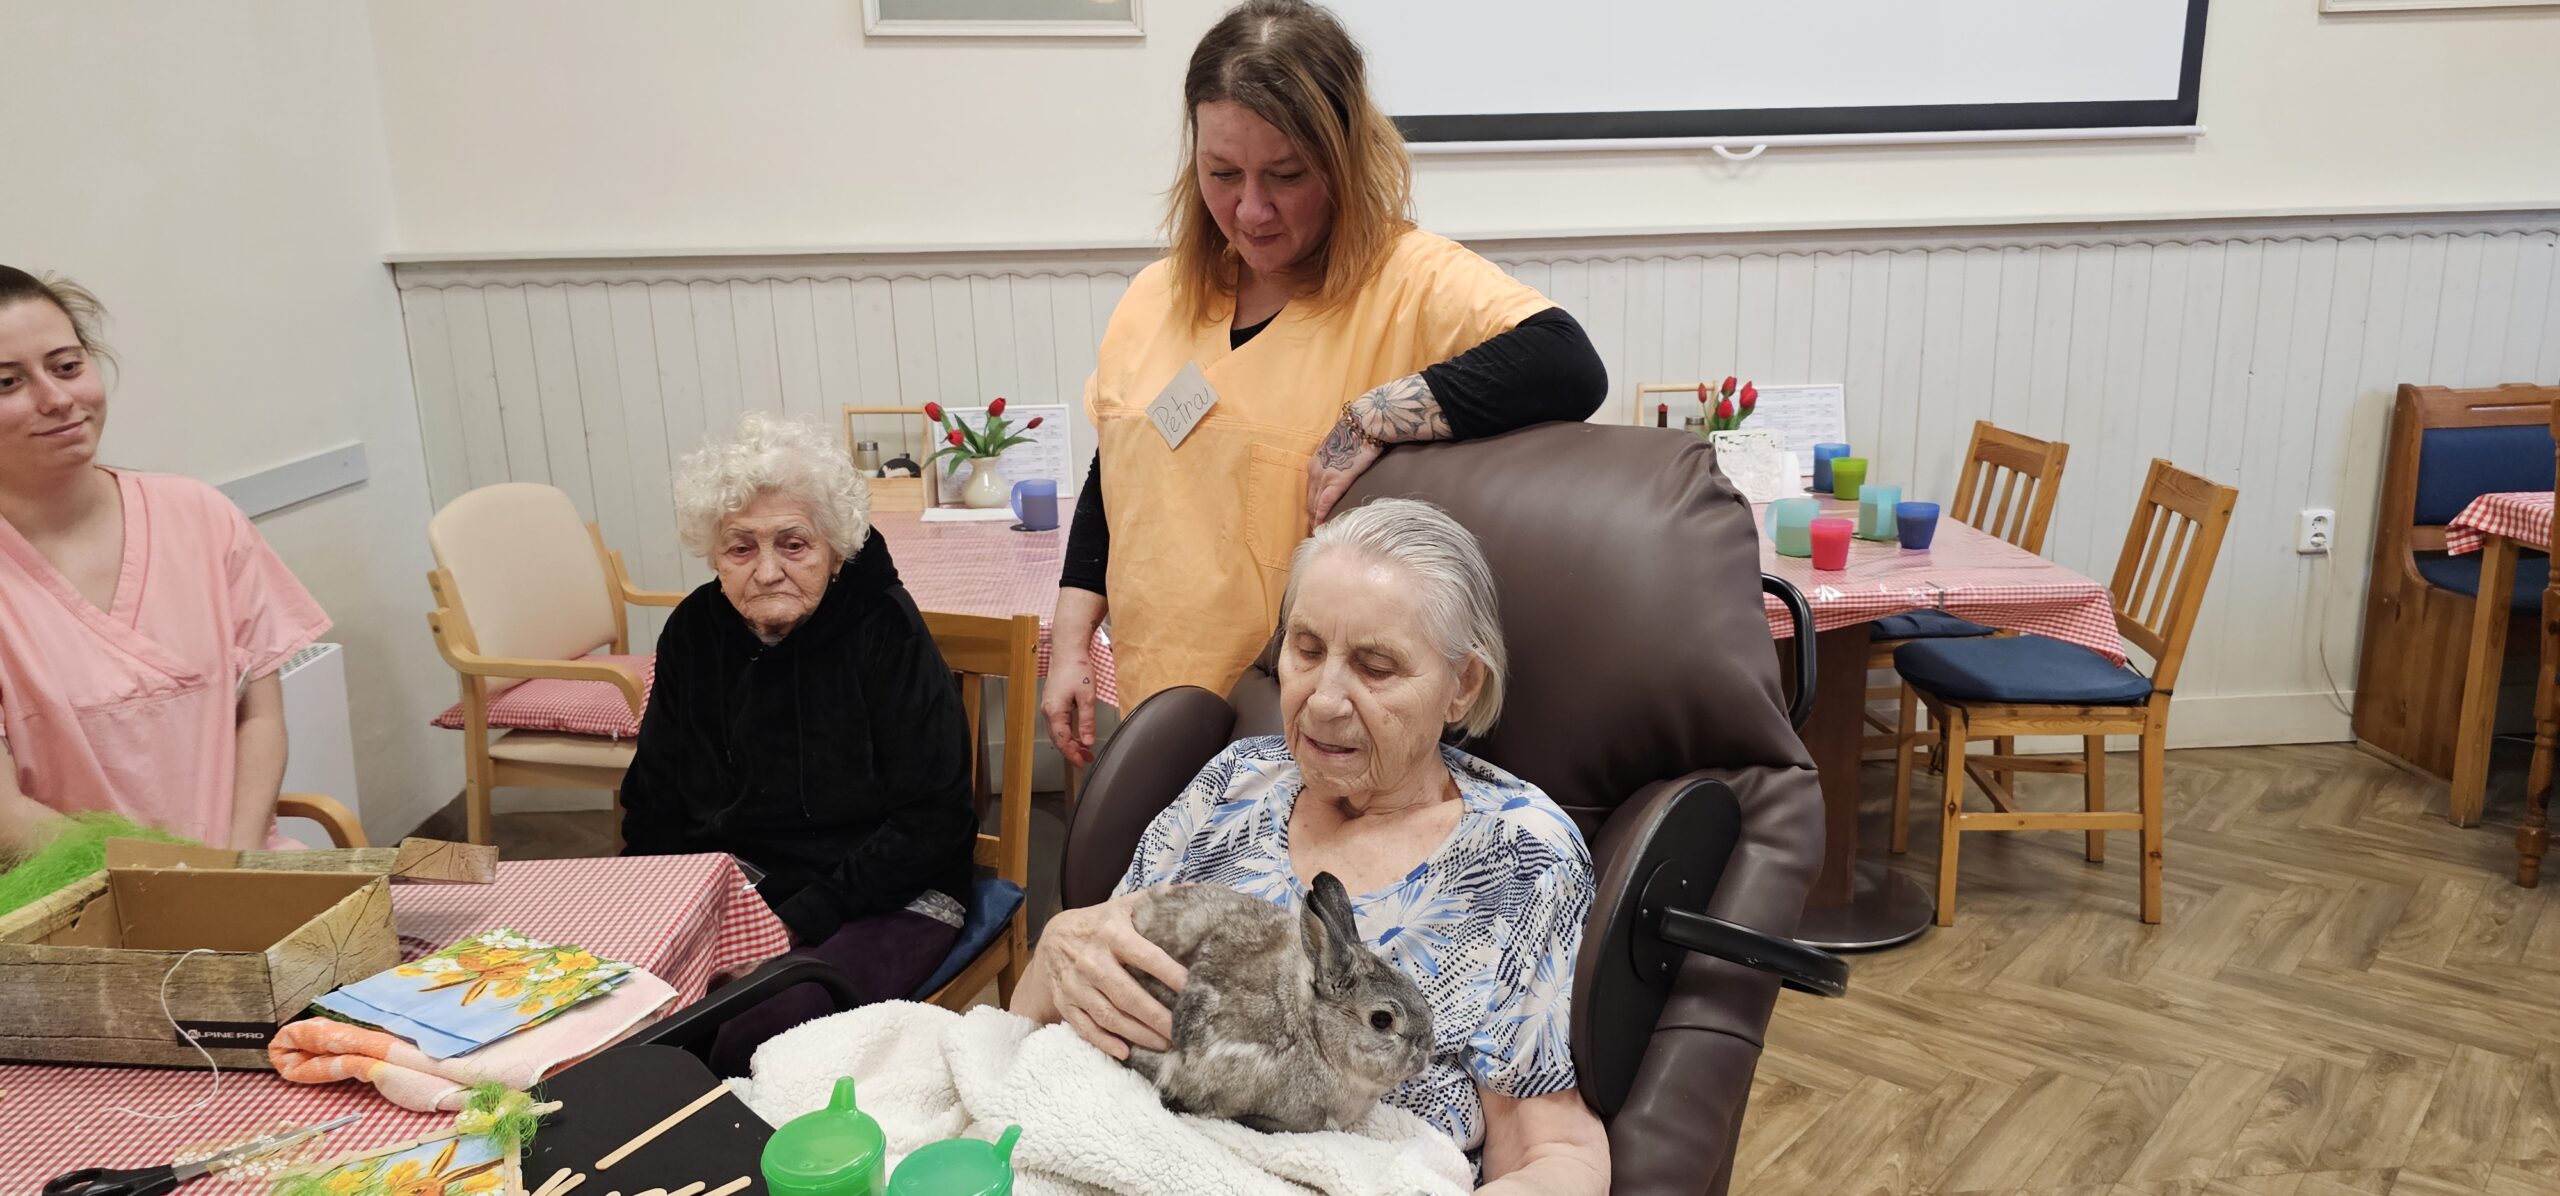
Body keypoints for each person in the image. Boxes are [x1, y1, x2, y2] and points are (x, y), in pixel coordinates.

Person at [1042, 0, 1609, 764]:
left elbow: (1567, 361)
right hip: (1161, 717)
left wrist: (1375, 415)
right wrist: (1071, 644)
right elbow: (1117, 470)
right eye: (1222, 173)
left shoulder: (1404, 282)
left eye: (1286, 175)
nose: (1250, 210)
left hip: (1310, 736)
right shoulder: (1157, 295)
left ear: (1343, 162)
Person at [1013, 499, 1610, 1195]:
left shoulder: (1518, 858)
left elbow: (1555, 1156)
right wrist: (1056, 948)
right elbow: (1055, 1000)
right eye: (1306, 649)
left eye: (1376, 666)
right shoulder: (1234, 783)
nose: (1323, 700)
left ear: (1462, 686)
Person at [619, 412, 978, 1072]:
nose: (766, 571)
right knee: (621, 1020)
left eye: (793, 545)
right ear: (713, 554)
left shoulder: (883, 629)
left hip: (888, 895)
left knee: (755, 1035)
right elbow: (653, 804)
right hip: (739, 888)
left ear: (834, 549)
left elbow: (934, 821)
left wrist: (793, 922)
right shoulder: (694, 631)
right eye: (740, 549)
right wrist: (670, 915)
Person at [0, 266, 330, 853]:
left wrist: (234, 863)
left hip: (241, 870)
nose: (58, 400)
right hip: (79, 897)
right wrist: (175, 882)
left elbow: (259, 718)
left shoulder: (200, 515)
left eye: (67, 366)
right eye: (6, 383)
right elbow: (9, 818)